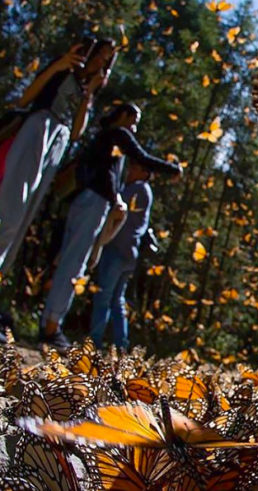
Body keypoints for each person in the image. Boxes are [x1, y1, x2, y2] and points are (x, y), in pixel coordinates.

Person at [39, 103, 181, 348]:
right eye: (134, 120)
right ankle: (52, 327)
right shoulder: (117, 134)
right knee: (75, 264)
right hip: (94, 202)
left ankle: (50, 322)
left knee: (70, 260)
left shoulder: (102, 140)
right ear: (124, 116)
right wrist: (172, 169)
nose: (134, 128)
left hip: (84, 201)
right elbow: (141, 157)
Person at [0, 39, 116, 273]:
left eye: (107, 59)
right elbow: (25, 99)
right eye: (100, 53)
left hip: (59, 141)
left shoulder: (86, 94)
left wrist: (89, 94)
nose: (100, 60)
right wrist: (58, 66)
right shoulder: (63, 69)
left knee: (27, 211)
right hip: (40, 126)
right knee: (14, 202)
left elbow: (75, 134)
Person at [88, 158, 179, 350]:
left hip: (118, 249)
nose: (129, 170)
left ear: (145, 173)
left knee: (104, 296)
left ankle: (94, 343)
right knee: (116, 300)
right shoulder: (144, 190)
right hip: (130, 253)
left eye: (135, 167)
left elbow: (114, 205)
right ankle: (121, 345)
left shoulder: (136, 188)